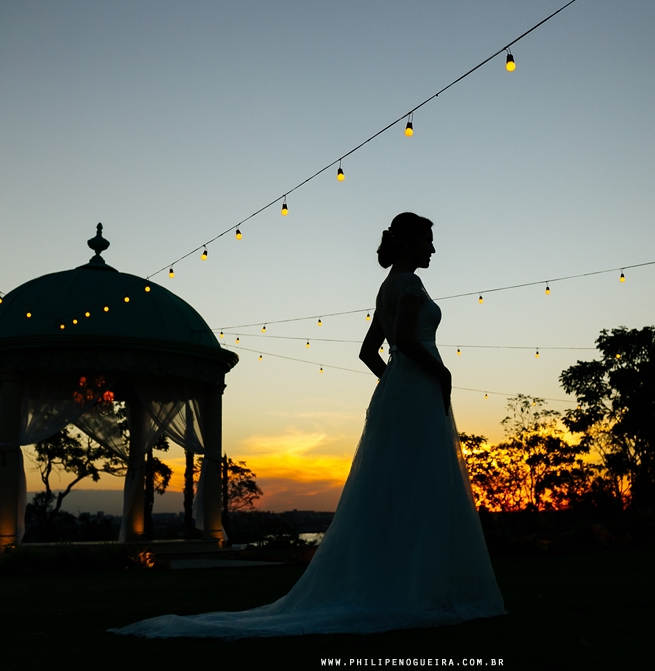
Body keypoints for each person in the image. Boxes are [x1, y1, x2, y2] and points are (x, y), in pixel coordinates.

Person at [110, 212, 506, 639]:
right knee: (421, 483)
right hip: (417, 388)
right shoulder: (407, 285)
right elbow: (406, 342)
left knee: (397, 486)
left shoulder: (387, 287)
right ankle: (420, 587)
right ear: (409, 244)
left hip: (402, 391)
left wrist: (394, 383)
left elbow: (370, 352)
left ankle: (408, 581)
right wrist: (438, 374)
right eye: (427, 241)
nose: (432, 249)